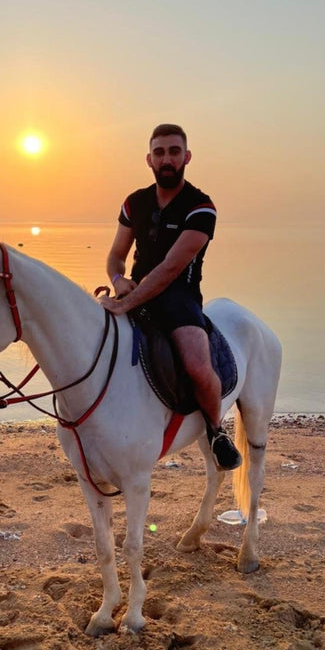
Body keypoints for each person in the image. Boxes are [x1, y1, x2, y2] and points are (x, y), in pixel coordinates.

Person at [99, 123, 241, 471]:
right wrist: (118, 281)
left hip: (180, 297)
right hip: (134, 291)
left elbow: (169, 269)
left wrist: (124, 304)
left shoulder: (201, 207)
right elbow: (116, 255)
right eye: (159, 152)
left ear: (186, 157)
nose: (167, 159)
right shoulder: (135, 202)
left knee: (196, 364)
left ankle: (215, 430)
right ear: (149, 159)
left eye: (174, 152)